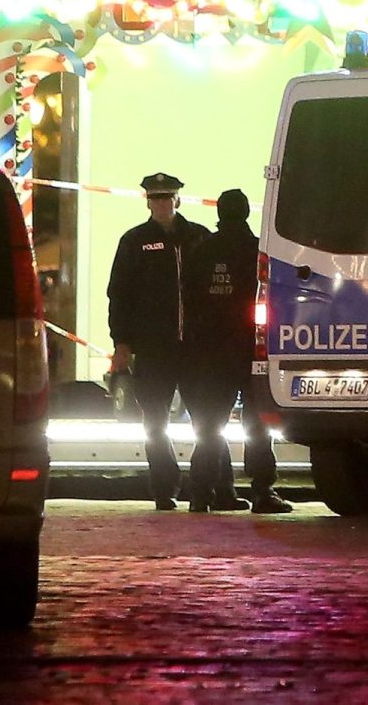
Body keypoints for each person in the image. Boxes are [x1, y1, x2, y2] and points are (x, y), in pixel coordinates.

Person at [180, 189, 292, 514]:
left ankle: (201, 493)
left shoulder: (202, 252)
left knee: (210, 423)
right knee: (256, 422)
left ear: (219, 212)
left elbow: (189, 299)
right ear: (245, 213)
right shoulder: (258, 251)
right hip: (250, 349)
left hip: (210, 351)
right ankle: (262, 492)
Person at [105, 172, 210, 510]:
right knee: (154, 421)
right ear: (148, 201)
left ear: (177, 199)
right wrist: (122, 342)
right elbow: (119, 295)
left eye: (167, 197)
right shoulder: (134, 242)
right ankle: (165, 486)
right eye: (156, 198)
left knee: (207, 422)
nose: (162, 204)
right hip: (153, 348)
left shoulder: (199, 238)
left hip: (195, 347)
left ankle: (203, 488)